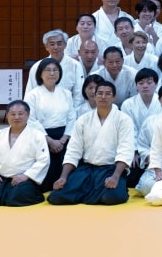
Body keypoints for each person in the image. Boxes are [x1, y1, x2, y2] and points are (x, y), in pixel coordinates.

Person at [48, 78, 134, 206]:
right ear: (95, 96)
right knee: (56, 197)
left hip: (111, 169)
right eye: (100, 93)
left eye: (108, 94)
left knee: (112, 197)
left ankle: (87, 193)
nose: (103, 97)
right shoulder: (83, 120)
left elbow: (126, 150)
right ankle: (91, 192)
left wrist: (115, 176)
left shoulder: (123, 119)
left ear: (114, 97)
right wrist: (63, 177)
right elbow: (73, 150)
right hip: (87, 170)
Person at [0, 101, 49, 206]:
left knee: (18, 197)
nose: (16, 117)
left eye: (20, 114)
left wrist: (26, 176)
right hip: (0, 177)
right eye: (13, 114)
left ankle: (7, 196)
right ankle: (6, 195)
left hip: (23, 177)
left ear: (28, 115)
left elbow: (43, 160)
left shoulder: (37, 135)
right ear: (7, 115)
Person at [25, 57, 75, 193]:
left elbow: (71, 118)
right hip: (42, 137)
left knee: (67, 175)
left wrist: (63, 139)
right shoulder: (33, 95)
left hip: (63, 138)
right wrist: (49, 141)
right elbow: (31, 120)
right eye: (48, 70)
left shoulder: (66, 93)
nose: (52, 73)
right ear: (40, 74)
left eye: (55, 70)